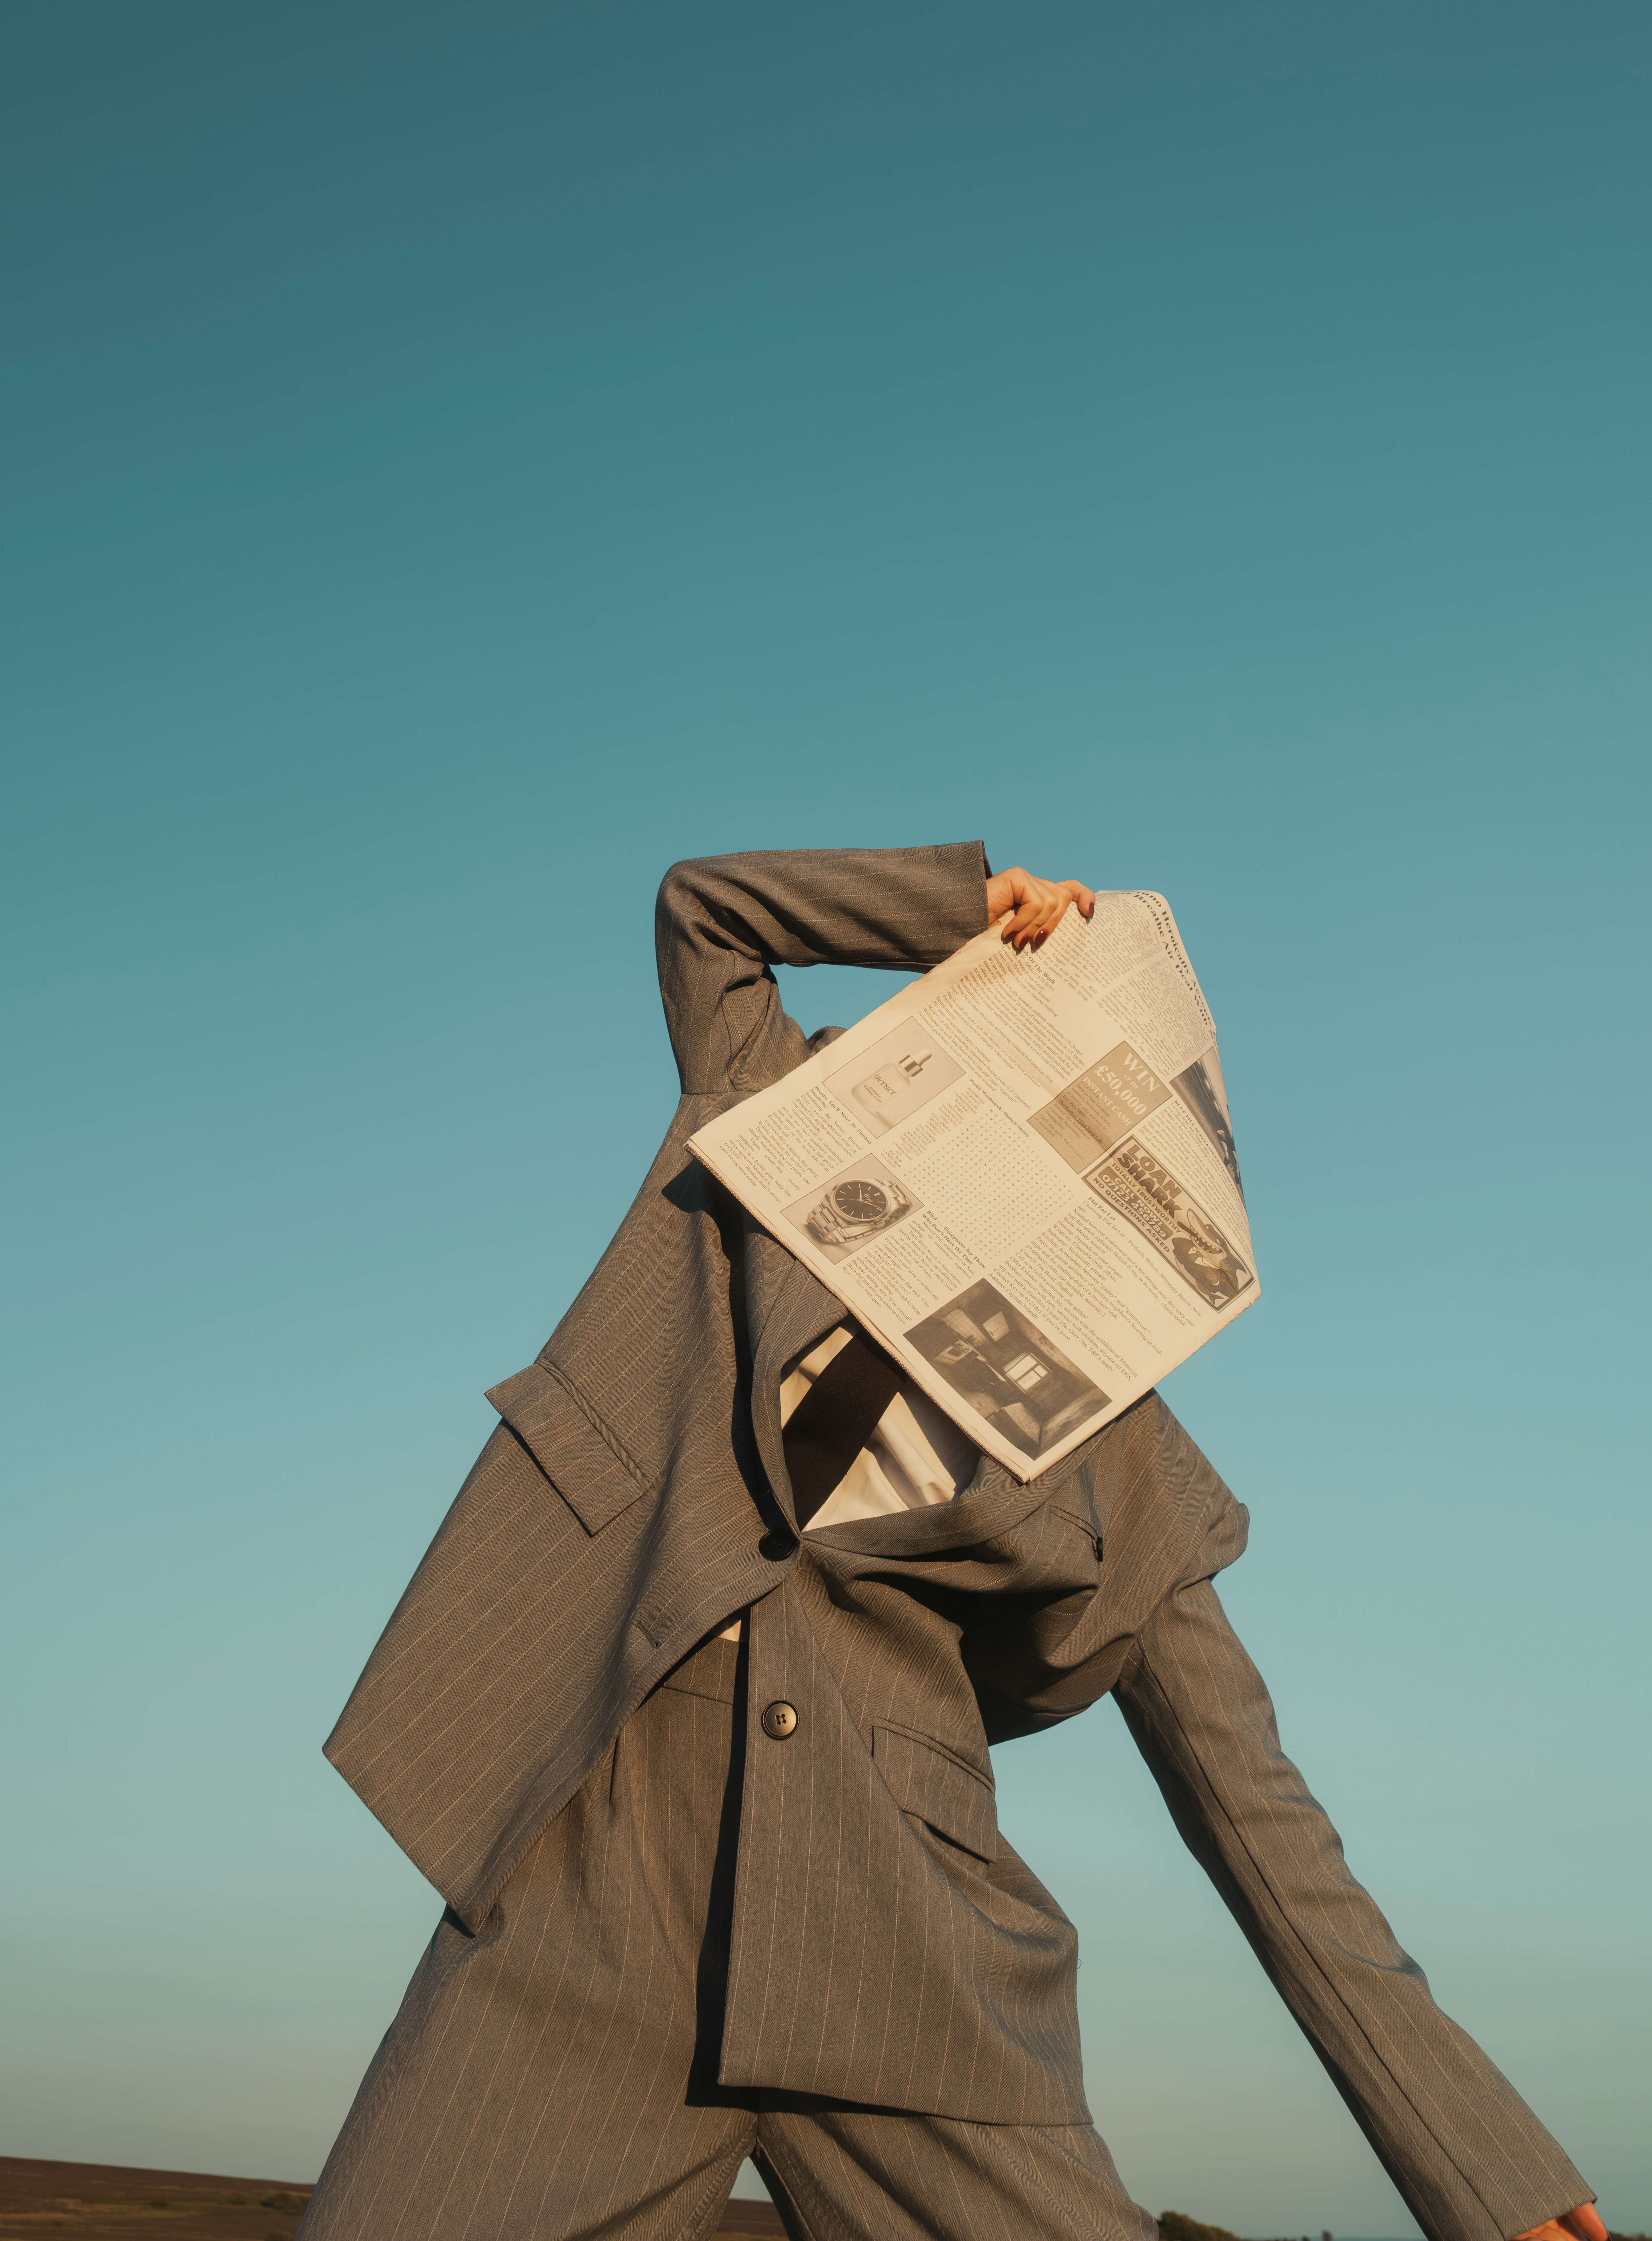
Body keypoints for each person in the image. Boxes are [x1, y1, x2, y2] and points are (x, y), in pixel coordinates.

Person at [301, 844, 1604, 2241]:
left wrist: (1492, 2180)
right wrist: (956, 914)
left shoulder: (1131, 1459)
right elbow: (706, 911)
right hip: (591, 1912)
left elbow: (1260, 1821)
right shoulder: (765, 1126)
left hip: (911, 1967)